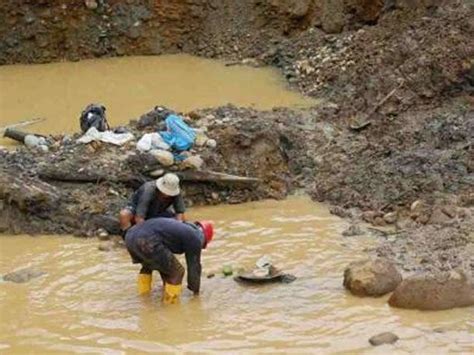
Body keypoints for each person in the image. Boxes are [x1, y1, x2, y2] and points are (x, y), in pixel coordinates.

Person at [124, 217, 214, 304]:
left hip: (130, 235)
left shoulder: (179, 227)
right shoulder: (195, 238)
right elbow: (194, 269)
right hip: (146, 240)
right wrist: (196, 294)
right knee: (178, 272)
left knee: (148, 266)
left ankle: (143, 298)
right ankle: (170, 307)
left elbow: (163, 263)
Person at [119, 173, 186, 236]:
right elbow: (139, 216)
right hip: (137, 210)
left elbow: (180, 212)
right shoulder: (148, 189)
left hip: (158, 211)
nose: (167, 195)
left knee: (181, 222)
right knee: (124, 215)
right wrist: (145, 233)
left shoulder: (176, 192)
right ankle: (127, 235)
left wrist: (178, 226)